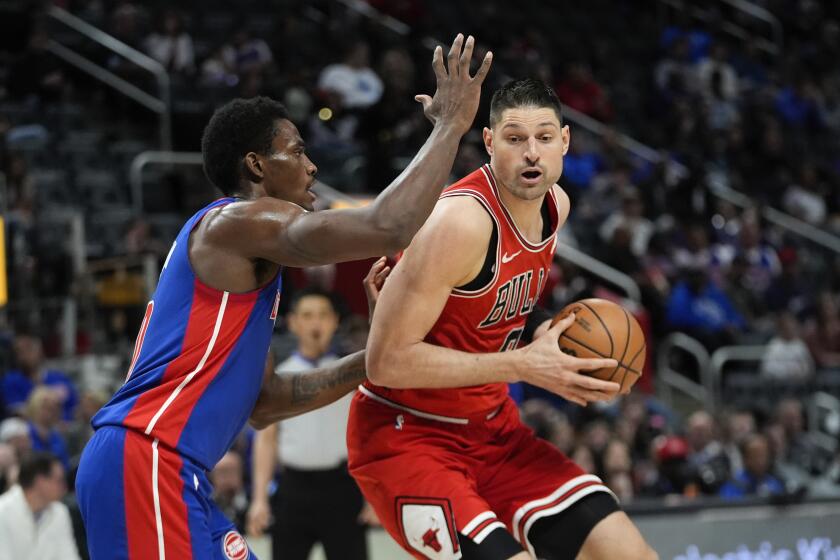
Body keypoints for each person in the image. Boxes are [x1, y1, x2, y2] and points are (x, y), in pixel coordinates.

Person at [74, 34, 493, 560]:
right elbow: (389, 225)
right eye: (296, 151)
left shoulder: (244, 268)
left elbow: (267, 403)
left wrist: (380, 357)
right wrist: (452, 125)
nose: (312, 166)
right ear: (256, 166)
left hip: (176, 470)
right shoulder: (237, 221)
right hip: (148, 458)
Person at [348, 78, 656, 560]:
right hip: (409, 435)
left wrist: (555, 349)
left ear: (565, 141)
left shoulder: (557, 206)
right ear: (490, 143)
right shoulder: (461, 222)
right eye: (515, 139)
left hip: (493, 431)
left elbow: (487, 317)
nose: (532, 153)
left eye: (544, 138)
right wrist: (522, 365)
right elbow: (384, 362)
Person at [247, 288, 369, 560]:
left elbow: (368, 437)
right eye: (308, 315)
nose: (316, 323)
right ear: (293, 322)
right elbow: (266, 440)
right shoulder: (278, 378)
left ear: (335, 321)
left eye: (323, 315)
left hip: (342, 488)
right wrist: (259, 499)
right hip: (294, 488)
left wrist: (373, 498)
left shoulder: (352, 374)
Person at [0, 451, 80, 560]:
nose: (65, 487)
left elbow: (68, 555)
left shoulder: (60, 512)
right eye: (59, 480)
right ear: (40, 482)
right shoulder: (3, 512)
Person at [1, 332, 79, 422]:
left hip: (69, 430)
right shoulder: (11, 380)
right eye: (19, 351)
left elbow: (76, 408)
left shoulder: (59, 377)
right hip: (33, 432)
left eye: (28, 349)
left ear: (40, 351)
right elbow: (19, 412)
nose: (24, 355)